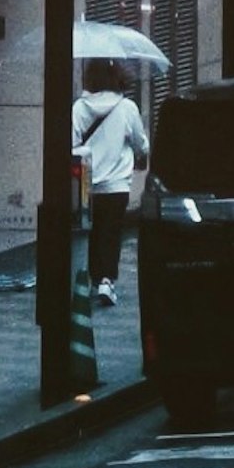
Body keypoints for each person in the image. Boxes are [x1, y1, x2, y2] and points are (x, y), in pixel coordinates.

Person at [71, 59, 147, 293]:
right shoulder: (127, 108)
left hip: (86, 185)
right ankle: (106, 281)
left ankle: (93, 280)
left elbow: (72, 145)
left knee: (91, 233)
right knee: (111, 233)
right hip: (116, 186)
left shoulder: (79, 108)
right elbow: (140, 144)